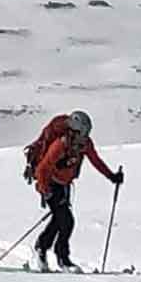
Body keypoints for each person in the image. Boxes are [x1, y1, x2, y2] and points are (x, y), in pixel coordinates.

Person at [28, 110, 122, 273]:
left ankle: (41, 249)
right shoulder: (60, 144)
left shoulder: (84, 144)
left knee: (59, 220)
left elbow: (96, 161)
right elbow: (42, 169)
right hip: (50, 184)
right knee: (67, 221)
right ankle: (62, 259)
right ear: (74, 130)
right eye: (83, 133)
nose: (85, 137)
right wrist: (45, 190)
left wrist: (111, 176)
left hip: (64, 185)